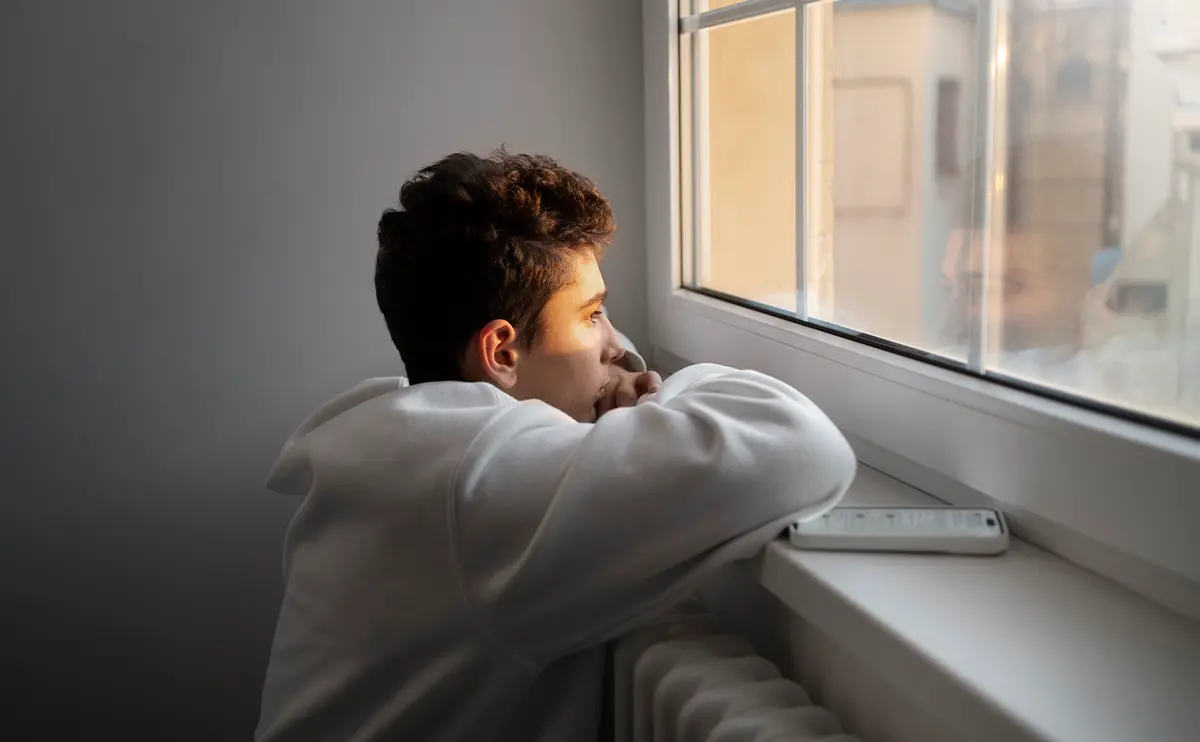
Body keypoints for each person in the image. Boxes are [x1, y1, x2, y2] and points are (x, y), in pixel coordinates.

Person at [254, 150, 856, 741]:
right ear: (502, 353)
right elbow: (803, 446)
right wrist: (664, 394)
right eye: (591, 314)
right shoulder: (482, 478)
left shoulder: (398, 439)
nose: (620, 345)